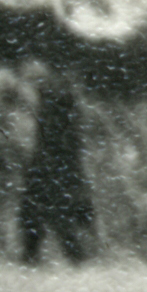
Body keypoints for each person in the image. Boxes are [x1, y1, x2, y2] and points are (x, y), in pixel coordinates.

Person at [15, 52, 98, 267]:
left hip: (53, 164)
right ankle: (33, 257)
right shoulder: (59, 97)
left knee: (50, 212)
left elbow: (54, 139)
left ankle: (73, 258)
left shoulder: (55, 99)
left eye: (29, 80)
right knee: (36, 212)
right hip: (54, 163)